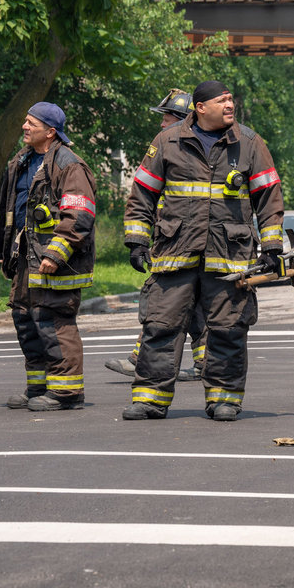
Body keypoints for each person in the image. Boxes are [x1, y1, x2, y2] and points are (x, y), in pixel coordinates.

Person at [120, 80, 285, 422]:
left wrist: (271, 246)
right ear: (200, 108)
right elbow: (142, 194)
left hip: (228, 257)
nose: (230, 105)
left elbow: (269, 197)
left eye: (231, 99)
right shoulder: (167, 141)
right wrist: (137, 240)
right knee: (160, 326)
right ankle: (150, 399)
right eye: (222, 100)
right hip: (174, 254)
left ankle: (224, 400)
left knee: (228, 328)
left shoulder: (249, 143)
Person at [0, 102, 97, 411]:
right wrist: (5, 252)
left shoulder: (69, 165)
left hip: (55, 261)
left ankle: (67, 393)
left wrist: (55, 253)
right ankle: (38, 386)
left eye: (31, 123)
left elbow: (79, 215)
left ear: (50, 132)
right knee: (26, 320)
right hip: (26, 258)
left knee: (53, 321)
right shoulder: (21, 161)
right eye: (25, 121)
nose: (24, 127)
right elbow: (9, 211)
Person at [105, 88, 206, 382]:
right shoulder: (167, 151)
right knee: (182, 307)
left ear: (185, 119)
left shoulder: (196, 156)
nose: (162, 124)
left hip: (189, 248)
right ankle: (200, 363)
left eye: (168, 118)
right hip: (170, 245)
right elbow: (143, 197)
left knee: (166, 305)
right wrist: (138, 241)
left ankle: (144, 360)